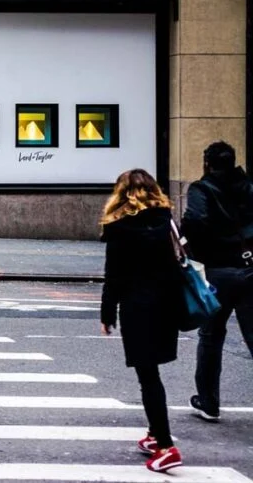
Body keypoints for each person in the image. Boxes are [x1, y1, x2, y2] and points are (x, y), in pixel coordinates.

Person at [98, 169, 184, 472]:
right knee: (152, 371)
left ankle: (165, 445)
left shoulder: (120, 227)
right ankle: (153, 433)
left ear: (121, 193)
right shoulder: (167, 220)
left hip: (137, 307)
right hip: (167, 305)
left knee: (148, 377)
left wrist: (107, 314)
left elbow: (114, 276)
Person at [182, 141, 253, 422]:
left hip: (218, 271)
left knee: (211, 336)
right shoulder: (248, 187)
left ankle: (209, 401)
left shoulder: (202, 189)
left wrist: (196, 249)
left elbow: (195, 221)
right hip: (249, 267)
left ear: (207, 163)